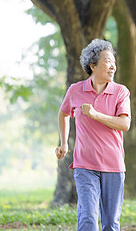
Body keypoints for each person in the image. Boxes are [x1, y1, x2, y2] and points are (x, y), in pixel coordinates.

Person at [55, 39, 131, 231]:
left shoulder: (120, 92)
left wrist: (96, 115)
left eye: (114, 61)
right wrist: (64, 143)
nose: (112, 66)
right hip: (85, 166)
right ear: (93, 65)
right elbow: (63, 113)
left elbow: (125, 124)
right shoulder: (75, 90)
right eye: (107, 61)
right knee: (88, 219)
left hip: (113, 166)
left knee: (111, 223)